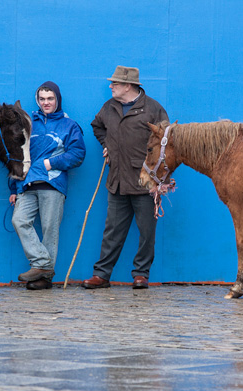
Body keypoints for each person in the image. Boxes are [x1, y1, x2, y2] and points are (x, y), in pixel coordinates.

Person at [82, 66, 169, 290]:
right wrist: (107, 145)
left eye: (115, 84)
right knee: (112, 231)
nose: (111, 86)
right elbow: (97, 126)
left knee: (146, 233)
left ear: (128, 86)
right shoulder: (109, 107)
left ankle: (141, 274)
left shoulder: (153, 109)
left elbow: (167, 145)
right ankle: (101, 275)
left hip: (144, 182)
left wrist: (160, 180)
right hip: (117, 181)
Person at [10, 81, 86, 290]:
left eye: (50, 99)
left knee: (49, 230)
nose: (46, 103)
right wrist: (14, 188)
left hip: (53, 185)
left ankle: (44, 279)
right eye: (42, 99)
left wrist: (50, 163)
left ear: (57, 99)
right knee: (19, 220)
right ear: (37, 100)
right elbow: (17, 155)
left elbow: (78, 154)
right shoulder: (28, 123)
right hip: (27, 185)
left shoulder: (69, 125)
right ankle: (43, 265)